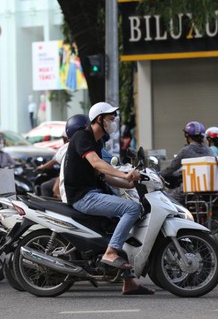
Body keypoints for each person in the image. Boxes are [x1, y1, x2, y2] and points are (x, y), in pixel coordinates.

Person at [64, 102, 153, 295]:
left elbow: (102, 175)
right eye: (111, 119)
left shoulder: (97, 142)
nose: (113, 123)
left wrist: (128, 184)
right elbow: (97, 163)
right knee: (132, 209)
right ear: (99, 119)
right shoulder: (82, 137)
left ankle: (128, 282)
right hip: (84, 197)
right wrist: (124, 175)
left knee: (120, 232)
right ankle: (110, 253)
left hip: (93, 193)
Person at [160, 121, 214, 202]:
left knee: (167, 201)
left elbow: (171, 168)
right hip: (208, 187)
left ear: (187, 135)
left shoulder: (186, 150)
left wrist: (156, 175)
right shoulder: (209, 150)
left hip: (190, 187)